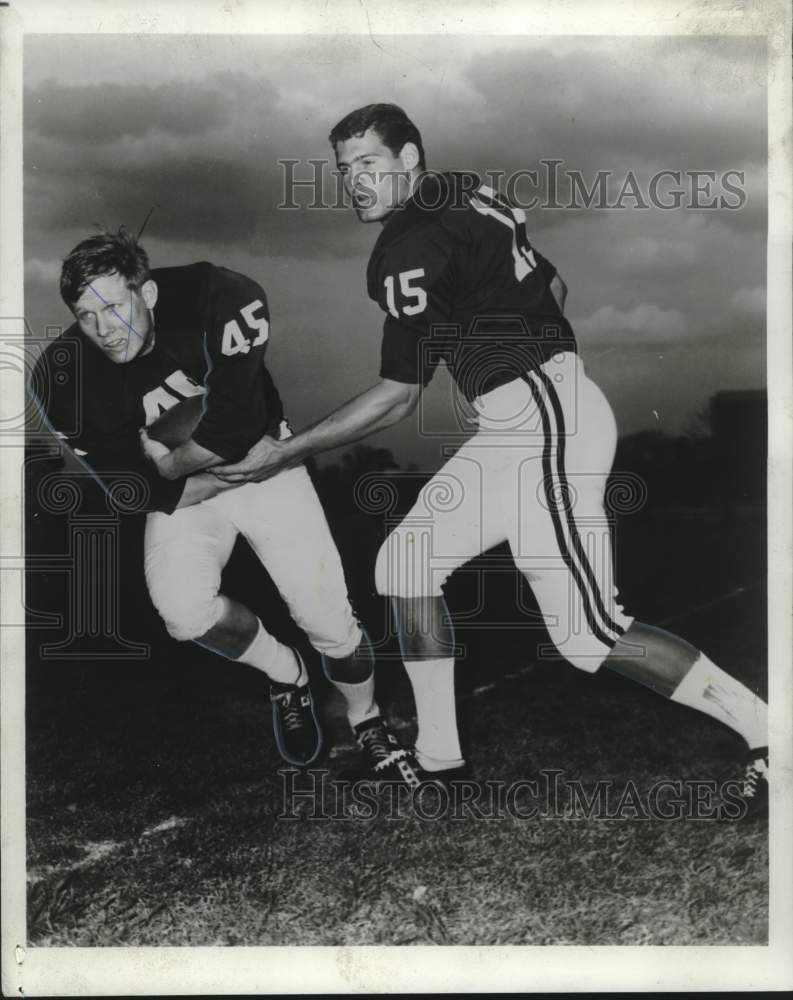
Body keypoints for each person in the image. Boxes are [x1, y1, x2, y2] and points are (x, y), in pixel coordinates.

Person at [213, 104, 769, 816]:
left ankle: (770, 736)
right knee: (405, 563)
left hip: (540, 418)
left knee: (586, 633)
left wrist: (282, 451)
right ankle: (441, 760)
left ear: (409, 158)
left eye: (368, 164)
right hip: (528, 413)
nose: (352, 182)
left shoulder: (407, 245)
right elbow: (555, 289)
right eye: (343, 168)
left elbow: (397, 397)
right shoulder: (469, 193)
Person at [31, 227, 423, 782]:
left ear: (147, 293)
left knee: (329, 621)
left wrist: (169, 463)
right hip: (195, 493)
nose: (103, 330)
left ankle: (367, 720)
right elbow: (133, 492)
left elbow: (238, 430)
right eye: (85, 316)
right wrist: (187, 476)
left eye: (114, 307)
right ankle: (286, 675)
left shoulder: (214, 296)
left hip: (268, 463)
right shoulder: (60, 375)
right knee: (182, 612)